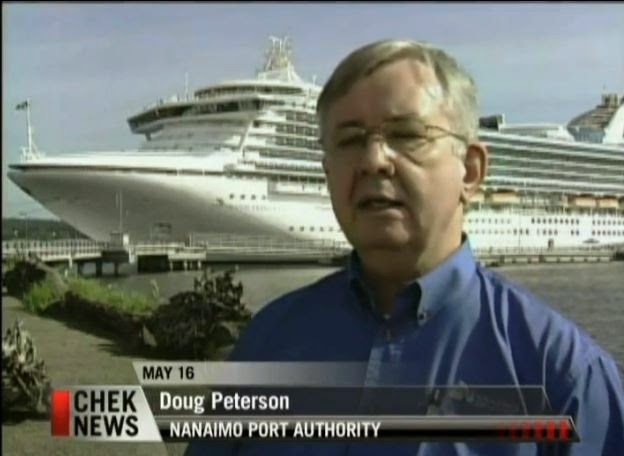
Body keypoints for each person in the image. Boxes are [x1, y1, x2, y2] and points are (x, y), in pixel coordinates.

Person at [185, 39, 624, 455]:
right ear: (327, 172)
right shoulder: (268, 341)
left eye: (407, 134)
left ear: (470, 171)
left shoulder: (562, 375)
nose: (374, 159)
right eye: (351, 140)